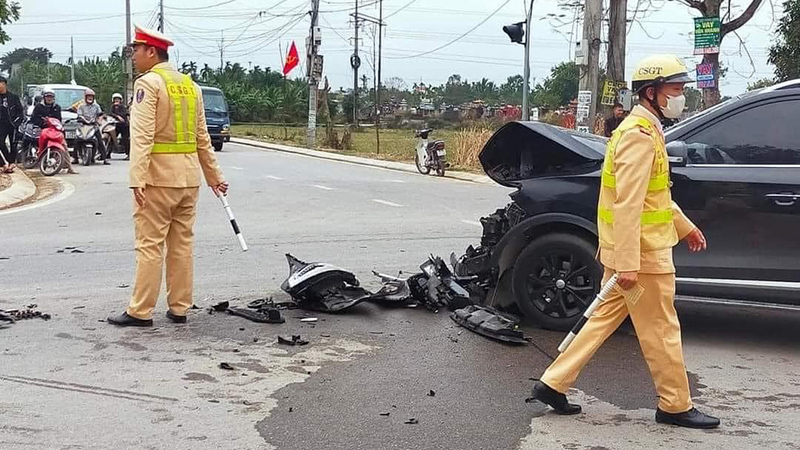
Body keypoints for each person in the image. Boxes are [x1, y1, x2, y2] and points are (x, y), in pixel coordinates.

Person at [528, 55, 720, 429]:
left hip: (633, 253)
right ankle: (675, 404)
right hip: (643, 257)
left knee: (599, 320)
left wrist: (686, 227)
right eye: (676, 90)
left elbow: (655, 195)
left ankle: (553, 383)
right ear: (651, 93)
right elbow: (628, 203)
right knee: (662, 330)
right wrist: (630, 263)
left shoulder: (644, 131)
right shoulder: (637, 135)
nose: (681, 97)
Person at [107, 25, 227, 327]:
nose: (133, 56)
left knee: (149, 245)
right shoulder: (190, 85)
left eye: (136, 50)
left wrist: (137, 178)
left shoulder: (149, 84)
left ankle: (140, 311)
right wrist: (214, 176)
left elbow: (142, 136)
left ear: (151, 51)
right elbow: (203, 138)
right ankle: (179, 308)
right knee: (182, 245)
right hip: (189, 181)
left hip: (158, 181)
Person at [32, 89, 77, 174]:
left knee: (64, 145)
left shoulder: (57, 107)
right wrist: (42, 123)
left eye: (51, 97)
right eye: (47, 97)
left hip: (54, 130)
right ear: (44, 97)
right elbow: (34, 119)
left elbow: (58, 120)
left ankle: (69, 167)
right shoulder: (38, 107)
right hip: (41, 129)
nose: (49, 99)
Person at [76, 89, 109, 165]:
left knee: (100, 141)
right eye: (88, 96)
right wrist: (82, 119)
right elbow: (79, 115)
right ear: (85, 97)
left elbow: (100, 115)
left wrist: (99, 121)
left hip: (94, 126)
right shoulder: (81, 106)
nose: (90, 98)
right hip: (83, 126)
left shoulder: (96, 106)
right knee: (77, 140)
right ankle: (75, 158)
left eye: (91, 97)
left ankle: (105, 158)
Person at [0, 75, 24, 173]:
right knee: (1, 143)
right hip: (1, 124)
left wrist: (16, 123)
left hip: (12, 124)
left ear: (4, 84)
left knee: (13, 143)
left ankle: (11, 163)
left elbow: (20, 112)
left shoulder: (13, 97)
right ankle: (6, 161)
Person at [110, 92, 130, 160]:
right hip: (116, 125)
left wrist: (122, 118)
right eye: (115, 99)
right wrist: (117, 116)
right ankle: (107, 153)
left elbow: (125, 114)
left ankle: (128, 154)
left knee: (125, 139)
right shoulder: (112, 107)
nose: (117, 101)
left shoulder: (123, 107)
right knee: (111, 138)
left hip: (124, 126)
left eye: (118, 99)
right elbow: (111, 114)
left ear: (121, 100)